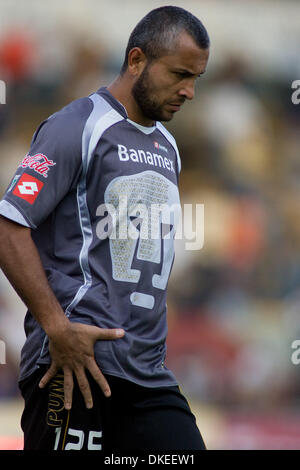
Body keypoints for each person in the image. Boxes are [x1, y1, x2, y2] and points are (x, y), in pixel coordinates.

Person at [0, 6, 210, 451]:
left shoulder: (168, 145)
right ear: (137, 60)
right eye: (179, 75)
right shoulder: (77, 126)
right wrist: (57, 328)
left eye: (196, 78)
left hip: (149, 377)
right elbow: (8, 226)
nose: (189, 91)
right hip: (75, 369)